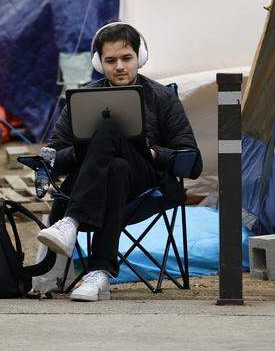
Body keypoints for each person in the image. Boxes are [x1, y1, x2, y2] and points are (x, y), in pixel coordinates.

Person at [36, 22, 201, 302]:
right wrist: (80, 153)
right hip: (109, 182)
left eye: (127, 58)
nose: (119, 67)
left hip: (146, 182)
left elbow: (192, 162)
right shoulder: (83, 99)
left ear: (140, 58)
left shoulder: (161, 97)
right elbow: (52, 157)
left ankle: (72, 221)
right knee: (117, 168)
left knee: (110, 129)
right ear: (100, 64)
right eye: (110, 60)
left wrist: (151, 152)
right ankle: (98, 273)